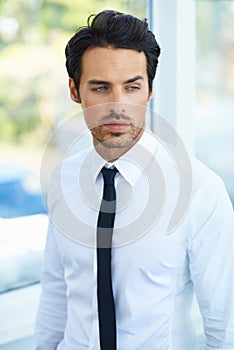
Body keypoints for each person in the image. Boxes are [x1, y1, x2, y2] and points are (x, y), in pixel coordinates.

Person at [35, 10, 234, 350]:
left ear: (150, 90)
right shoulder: (64, 179)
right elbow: (57, 291)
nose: (117, 106)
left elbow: (224, 323)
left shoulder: (199, 189)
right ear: (74, 90)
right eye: (100, 88)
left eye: (132, 87)